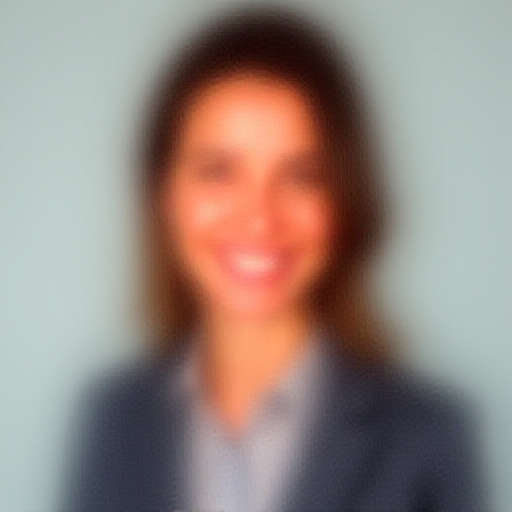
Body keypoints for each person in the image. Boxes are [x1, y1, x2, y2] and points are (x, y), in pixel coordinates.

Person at [63, 6, 486, 512]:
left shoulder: (427, 438)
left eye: (301, 176)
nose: (260, 218)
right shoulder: (114, 422)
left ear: (344, 199)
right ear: (165, 195)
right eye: (218, 171)